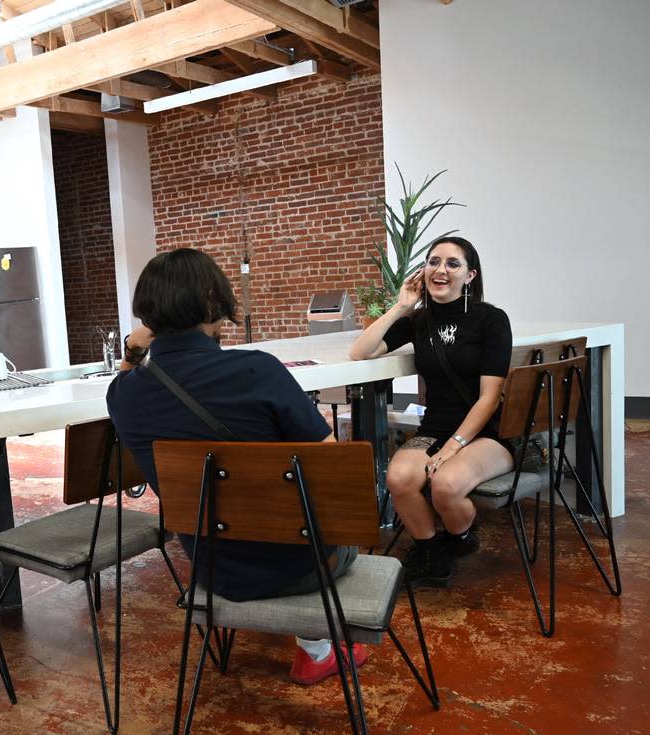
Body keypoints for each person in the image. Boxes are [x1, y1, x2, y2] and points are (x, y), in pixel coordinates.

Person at [106, 247, 368, 686]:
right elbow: (336, 477)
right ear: (214, 301)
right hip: (304, 566)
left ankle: (315, 647)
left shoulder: (124, 396)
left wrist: (134, 351)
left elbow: (125, 377)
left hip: (212, 568)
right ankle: (317, 649)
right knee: (328, 520)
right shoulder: (257, 369)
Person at [349, 236, 513, 587]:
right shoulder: (419, 321)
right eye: (433, 261)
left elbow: (490, 398)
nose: (440, 270)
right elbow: (361, 352)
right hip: (434, 428)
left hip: (486, 433)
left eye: (453, 264)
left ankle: (461, 536)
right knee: (399, 478)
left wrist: (453, 447)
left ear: (470, 276)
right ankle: (431, 551)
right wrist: (401, 306)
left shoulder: (491, 320)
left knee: (445, 484)